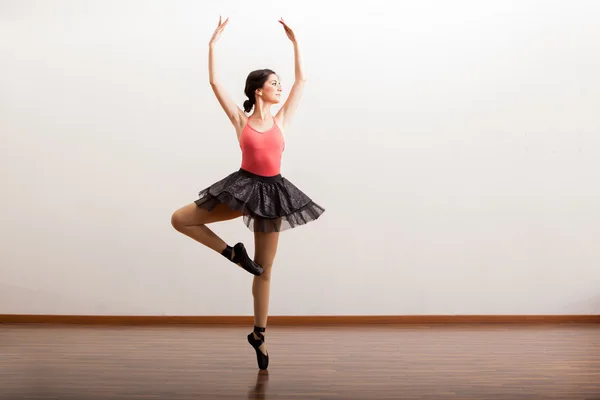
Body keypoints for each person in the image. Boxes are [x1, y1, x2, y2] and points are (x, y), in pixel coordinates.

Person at [170, 16, 325, 370]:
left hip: (273, 195)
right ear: (259, 90)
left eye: (279, 83)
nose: (280, 87)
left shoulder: (281, 119)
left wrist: (296, 42)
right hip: (242, 187)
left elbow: (302, 80)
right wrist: (212, 45)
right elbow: (214, 82)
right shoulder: (242, 121)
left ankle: (258, 334)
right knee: (180, 219)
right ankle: (231, 253)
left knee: (264, 272)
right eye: (274, 83)